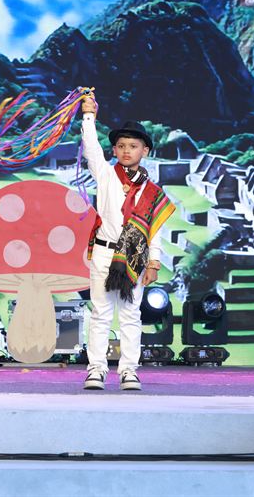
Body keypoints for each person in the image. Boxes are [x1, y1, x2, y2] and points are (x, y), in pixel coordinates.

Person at [79, 91, 175, 391]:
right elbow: (91, 149)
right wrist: (89, 115)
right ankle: (96, 369)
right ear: (115, 150)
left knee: (131, 315)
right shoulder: (106, 176)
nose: (126, 151)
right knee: (100, 313)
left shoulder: (152, 192)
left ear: (145, 150)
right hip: (104, 254)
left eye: (133, 146)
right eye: (121, 146)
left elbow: (153, 231)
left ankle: (129, 370)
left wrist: (154, 262)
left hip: (134, 258)